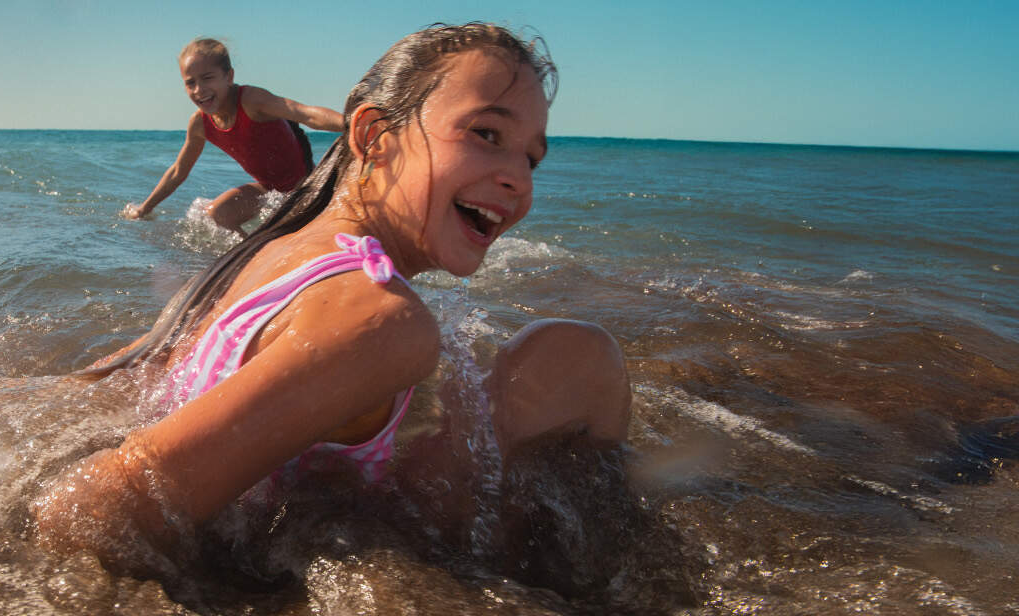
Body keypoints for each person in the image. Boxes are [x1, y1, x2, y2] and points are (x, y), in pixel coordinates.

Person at [41, 23, 629, 571]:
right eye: (486, 134)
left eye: (530, 158)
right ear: (374, 135)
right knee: (576, 357)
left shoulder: (276, 248)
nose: (519, 180)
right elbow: (100, 511)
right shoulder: (379, 318)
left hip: (256, 497)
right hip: (289, 555)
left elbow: (127, 366)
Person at [121, 38, 347, 236]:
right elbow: (179, 170)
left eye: (207, 78)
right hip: (268, 190)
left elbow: (304, 113)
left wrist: (351, 123)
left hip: (307, 185)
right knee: (217, 215)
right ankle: (252, 256)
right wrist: (145, 208)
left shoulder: (251, 101)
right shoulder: (200, 123)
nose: (199, 89)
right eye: (190, 82)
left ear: (229, 77)